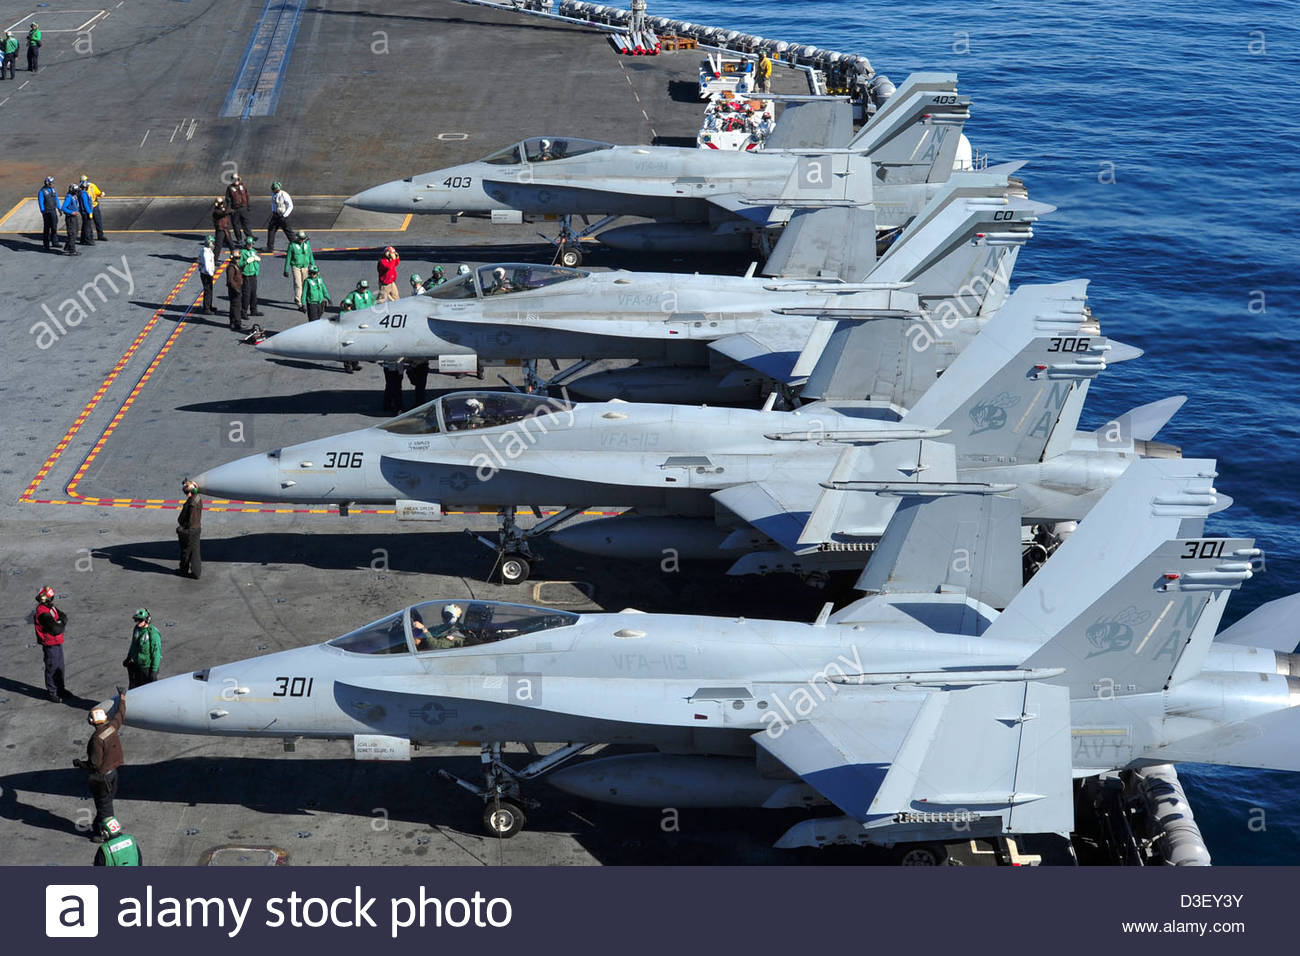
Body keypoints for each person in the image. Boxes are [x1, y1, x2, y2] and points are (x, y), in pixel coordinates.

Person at [73, 690, 126, 842]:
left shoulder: (97, 739)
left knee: (106, 809)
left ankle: (113, 836)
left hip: (102, 778)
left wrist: (80, 764)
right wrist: (122, 698)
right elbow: (120, 715)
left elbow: (95, 763)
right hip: (113, 773)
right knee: (105, 805)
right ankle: (97, 829)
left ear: (92, 722)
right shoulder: (112, 728)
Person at [33, 586, 68, 702]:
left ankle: (61, 689)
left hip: (57, 641)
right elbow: (55, 628)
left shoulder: (50, 607)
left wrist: (60, 622)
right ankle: (53, 692)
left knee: (60, 667)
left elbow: (63, 616)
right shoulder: (42, 612)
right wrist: (60, 623)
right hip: (50, 643)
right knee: (52, 668)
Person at [338, 280, 373, 372]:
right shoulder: (352, 295)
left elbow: (373, 302)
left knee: (365, 339)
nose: (364, 289)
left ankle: (360, 360)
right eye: (363, 288)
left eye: (366, 288)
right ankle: (348, 365)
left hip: (366, 318)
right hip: (354, 321)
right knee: (349, 344)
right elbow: (346, 302)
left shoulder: (368, 293)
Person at [123, 609, 161, 688]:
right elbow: (133, 645)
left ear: (147, 620)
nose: (137, 622)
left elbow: (156, 653)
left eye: (140, 620)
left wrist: (154, 671)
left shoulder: (153, 633)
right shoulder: (136, 629)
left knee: (147, 691)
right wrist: (128, 657)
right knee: (134, 688)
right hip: (136, 665)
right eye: (136, 620)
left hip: (146, 667)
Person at [177, 479, 202, 579]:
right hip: (197, 529)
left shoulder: (191, 504)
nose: (186, 494)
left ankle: (183, 571)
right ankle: (196, 572)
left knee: (185, 552)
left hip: (189, 530)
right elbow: (196, 492)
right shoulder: (198, 499)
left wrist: (181, 530)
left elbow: (187, 521)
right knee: (195, 552)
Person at [283, 231, 315, 308]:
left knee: (305, 284)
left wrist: (313, 265)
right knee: (298, 284)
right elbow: (288, 258)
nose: (303, 240)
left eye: (304, 239)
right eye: (302, 239)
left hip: (305, 267)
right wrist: (286, 269)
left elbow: (310, 254)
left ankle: (304, 299)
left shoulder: (307, 244)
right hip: (296, 267)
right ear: (298, 238)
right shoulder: (292, 245)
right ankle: (299, 301)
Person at [265, 180, 294, 252]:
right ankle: (270, 247)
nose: (273, 191)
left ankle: (294, 246)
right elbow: (273, 203)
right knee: (271, 230)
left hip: (282, 215)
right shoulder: (273, 194)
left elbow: (290, 206)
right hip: (275, 215)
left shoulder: (284, 194)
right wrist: (273, 211)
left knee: (288, 231)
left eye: (274, 190)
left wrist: (285, 215)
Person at [238, 237, 263, 317]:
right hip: (246, 275)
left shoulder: (253, 251)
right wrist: (246, 261)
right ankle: (243, 311)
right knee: (246, 294)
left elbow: (255, 261)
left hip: (253, 274)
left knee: (253, 293)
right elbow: (239, 264)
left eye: (251, 244)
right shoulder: (243, 252)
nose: (250, 245)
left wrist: (257, 259)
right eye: (249, 244)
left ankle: (254, 310)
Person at [79, 175, 107, 240]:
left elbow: (98, 192)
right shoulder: (81, 189)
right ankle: (87, 237)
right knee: (87, 224)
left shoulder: (92, 186)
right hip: (87, 208)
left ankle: (100, 235)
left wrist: (101, 194)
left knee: (98, 221)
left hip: (94, 206)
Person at [225, 173, 251, 243]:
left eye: (237, 179)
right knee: (236, 225)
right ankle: (239, 239)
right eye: (234, 179)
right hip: (235, 209)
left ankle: (249, 237)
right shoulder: (230, 188)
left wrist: (248, 206)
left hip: (243, 208)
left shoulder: (243, 186)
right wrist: (229, 209)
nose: (235, 181)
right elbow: (228, 199)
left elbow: (247, 196)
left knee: (246, 223)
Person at [37, 176, 59, 252]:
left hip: (53, 210)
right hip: (47, 211)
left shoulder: (53, 189)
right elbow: (41, 202)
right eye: (51, 182)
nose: (53, 184)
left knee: (54, 226)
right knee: (47, 228)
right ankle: (46, 244)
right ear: (48, 183)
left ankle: (55, 242)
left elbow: (56, 198)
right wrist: (43, 212)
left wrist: (59, 208)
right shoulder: (42, 191)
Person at [224, 253, 244, 331]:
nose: (238, 259)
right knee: (236, 306)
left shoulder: (236, 265)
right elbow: (230, 280)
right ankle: (237, 323)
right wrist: (236, 289)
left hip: (236, 288)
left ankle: (232, 322)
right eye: (236, 258)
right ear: (232, 258)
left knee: (233, 306)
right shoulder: (231, 268)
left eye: (239, 257)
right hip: (234, 289)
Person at [197, 236, 217, 314]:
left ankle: (209, 305)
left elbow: (199, 260)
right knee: (208, 291)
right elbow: (208, 265)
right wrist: (211, 273)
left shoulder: (205, 250)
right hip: (206, 274)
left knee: (209, 290)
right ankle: (207, 308)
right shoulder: (206, 253)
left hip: (204, 272)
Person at [59, 185, 81, 255]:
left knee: (76, 231)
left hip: (74, 217)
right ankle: (72, 250)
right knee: (72, 233)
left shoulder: (74, 196)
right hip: (70, 218)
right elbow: (63, 208)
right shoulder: (69, 197)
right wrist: (72, 212)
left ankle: (67, 247)